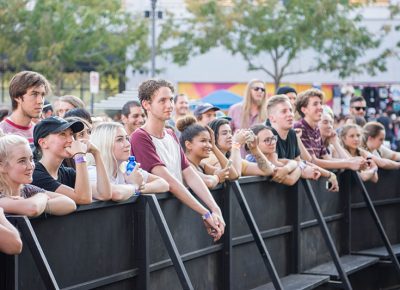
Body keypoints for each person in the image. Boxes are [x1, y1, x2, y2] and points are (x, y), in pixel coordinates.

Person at [130, 79, 224, 241]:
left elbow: (189, 173)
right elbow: (169, 181)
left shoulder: (171, 134)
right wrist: (205, 212)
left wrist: (215, 209)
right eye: (162, 100)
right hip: (152, 219)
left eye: (171, 99)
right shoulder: (140, 137)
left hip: (174, 218)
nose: (170, 105)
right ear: (146, 104)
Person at [32, 116, 111, 204]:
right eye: (63, 134)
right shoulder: (34, 174)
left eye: (71, 134)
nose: (71, 140)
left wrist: (96, 153)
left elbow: (104, 194)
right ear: (43, 143)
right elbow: (83, 198)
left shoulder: (68, 173)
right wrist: (79, 155)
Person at [266, 94, 338, 190]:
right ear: (272, 118)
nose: (290, 114)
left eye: (291, 110)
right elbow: (277, 165)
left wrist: (329, 174)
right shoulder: (268, 135)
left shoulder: (292, 134)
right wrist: (302, 170)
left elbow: (300, 162)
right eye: (284, 111)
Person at [88, 122, 169, 201]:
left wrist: (140, 188)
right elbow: (116, 194)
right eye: (119, 140)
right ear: (104, 144)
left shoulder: (126, 167)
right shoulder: (92, 172)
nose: (128, 144)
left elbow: (163, 184)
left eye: (127, 138)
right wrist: (134, 185)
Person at [0, 133, 76, 217]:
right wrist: (42, 196)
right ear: (2, 166)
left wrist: (40, 203)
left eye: (31, 159)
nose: (30, 166)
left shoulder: (27, 189)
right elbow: (32, 209)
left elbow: (69, 203)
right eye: (22, 161)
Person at [294, 89, 367, 171]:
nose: (320, 107)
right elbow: (312, 161)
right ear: (304, 110)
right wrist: (349, 163)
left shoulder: (316, 129)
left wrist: (352, 160)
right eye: (315, 104)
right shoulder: (300, 127)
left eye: (320, 103)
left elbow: (327, 159)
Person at [176, 116, 238, 189]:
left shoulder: (202, 165)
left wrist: (214, 147)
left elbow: (233, 175)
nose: (209, 145)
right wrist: (218, 177)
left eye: (209, 141)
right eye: (203, 141)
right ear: (188, 145)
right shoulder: (184, 165)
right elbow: (209, 182)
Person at [205, 118, 275, 177]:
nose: (230, 136)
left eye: (230, 132)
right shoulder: (209, 157)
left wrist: (254, 149)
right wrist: (236, 144)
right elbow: (235, 174)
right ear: (212, 137)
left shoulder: (232, 159)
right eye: (224, 133)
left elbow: (268, 171)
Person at [0, 71, 51, 144]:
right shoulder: (2, 132)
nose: (40, 101)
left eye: (42, 95)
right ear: (17, 97)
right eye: (34, 94)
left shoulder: (41, 133)